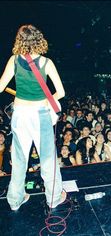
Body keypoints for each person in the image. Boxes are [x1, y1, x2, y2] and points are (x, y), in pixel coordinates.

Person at [0, 25, 66, 210]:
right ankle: (53, 198)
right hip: (40, 116)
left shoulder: (14, 60)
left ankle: (14, 201)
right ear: (39, 39)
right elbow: (60, 92)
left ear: (19, 40)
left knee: (19, 159)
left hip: (20, 115)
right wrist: (47, 100)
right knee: (47, 159)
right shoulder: (46, 63)